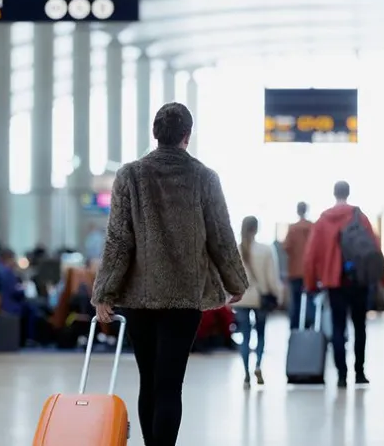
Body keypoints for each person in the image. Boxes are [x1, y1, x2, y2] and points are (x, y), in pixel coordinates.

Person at [92, 102, 248, 446]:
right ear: (186, 136)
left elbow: (119, 238)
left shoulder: (130, 176)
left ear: (155, 133)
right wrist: (235, 282)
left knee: (148, 381)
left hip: (139, 299)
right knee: (169, 385)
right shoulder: (204, 178)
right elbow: (220, 234)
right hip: (183, 298)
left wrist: (104, 291)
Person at [303, 180, 384, 388]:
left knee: (338, 327)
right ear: (348, 193)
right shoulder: (360, 217)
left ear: (334, 193)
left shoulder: (323, 221)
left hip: (334, 283)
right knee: (360, 326)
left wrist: (311, 283)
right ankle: (359, 373)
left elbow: (310, 255)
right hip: (359, 281)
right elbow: (375, 250)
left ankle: (342, 375)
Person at [233, 216, 284, 388]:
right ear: (256, 229)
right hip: (261, 298)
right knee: (261, 334)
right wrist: (278, 295)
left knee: (245, 337)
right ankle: (258, 365)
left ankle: (246, 374)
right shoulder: (266, 250)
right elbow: (272, 278)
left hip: (241, 298)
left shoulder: (236, 250)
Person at [283, 202, 314, 329]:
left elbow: (286, 247)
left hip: (295, 271)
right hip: (310, 271)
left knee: (295, 302)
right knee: (311, 301)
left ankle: (294, 327)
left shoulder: (293, 229)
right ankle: (310, 326)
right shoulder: (312, 227)